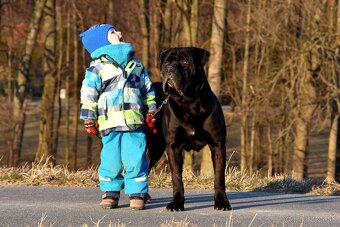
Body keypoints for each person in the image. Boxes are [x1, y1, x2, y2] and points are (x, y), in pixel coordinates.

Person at [79, 24, 157, 210]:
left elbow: (148, 90)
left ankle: (137, 192)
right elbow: (88, 95)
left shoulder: (136, 65)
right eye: (113, 32)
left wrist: (151, 110)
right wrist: (89, 118)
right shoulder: (97, 69)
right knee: (111, 159)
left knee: (136, 158)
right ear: (101, 43)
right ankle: (110, 192)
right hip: (109, 122)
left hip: (134, 121)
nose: (120, 33)